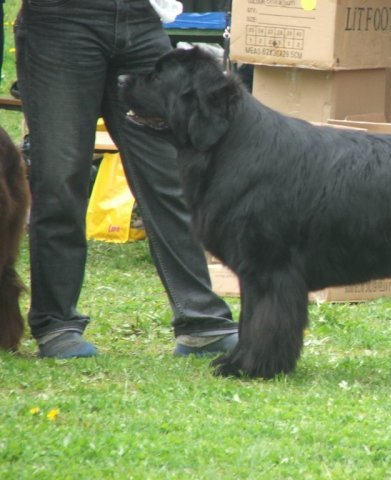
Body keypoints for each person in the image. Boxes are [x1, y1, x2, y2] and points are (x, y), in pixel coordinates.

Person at [14, 0, 238, 358]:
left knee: (171, 177)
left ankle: (203, 323)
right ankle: (57, 324)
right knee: (61, 177)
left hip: (139, 19)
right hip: (59, 20)